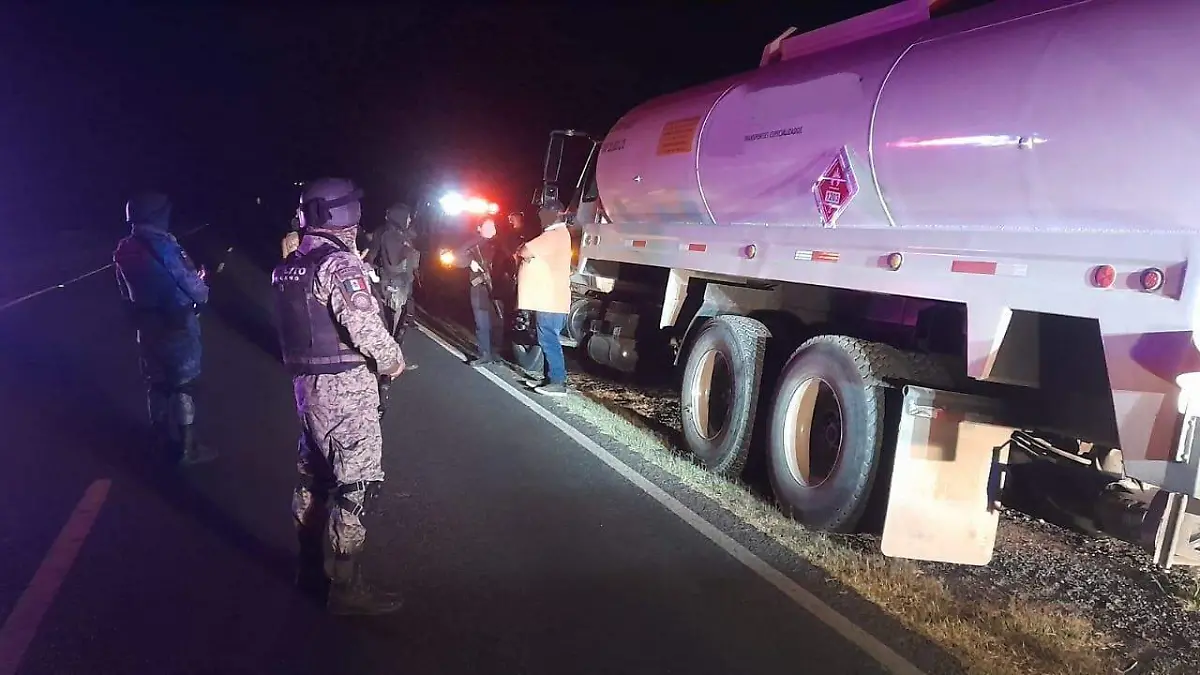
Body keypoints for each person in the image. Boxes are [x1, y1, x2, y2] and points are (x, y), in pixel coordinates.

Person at [272, 177, 406, 615]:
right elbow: (365, 327)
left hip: (307, 390)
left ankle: (308, 570)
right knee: (356, 484)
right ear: (338, 213)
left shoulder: (292, 263)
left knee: (313, 478)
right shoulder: (339, 264)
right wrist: (392, 361)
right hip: (347, 389)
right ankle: (346, 586)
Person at [113, 192, 218, 466]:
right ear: (158, 215)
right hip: (177, 324)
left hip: (147, 325)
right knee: (184, 385)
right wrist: (203, 287)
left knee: (156, 382)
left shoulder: (124, 247)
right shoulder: (166, 246)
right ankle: (187, 448)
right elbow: (191, 285)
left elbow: (124, 291)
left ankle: (157, 438)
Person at [515, 201, 572, 397]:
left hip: (551, 300)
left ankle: (557, 381)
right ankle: (550, 378)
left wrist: (524, 251)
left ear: (555, 214)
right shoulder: (558, 234)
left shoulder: (554, 235)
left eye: (543, 214)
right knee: (547, 338)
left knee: (549, 340)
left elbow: (524, 250)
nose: (541, 218)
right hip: (551, 299)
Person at [450, 217, 503, 367]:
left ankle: (495, 353)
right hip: (480, 289)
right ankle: (484, 353)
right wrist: (470, 262)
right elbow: (456, 257)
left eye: (493, 226)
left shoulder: (500, 244)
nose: (491, 229)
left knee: (497, 322)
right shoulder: (474, 242)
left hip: (498, 289)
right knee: (482, 322)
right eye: (487, 226)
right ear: (479, 228)